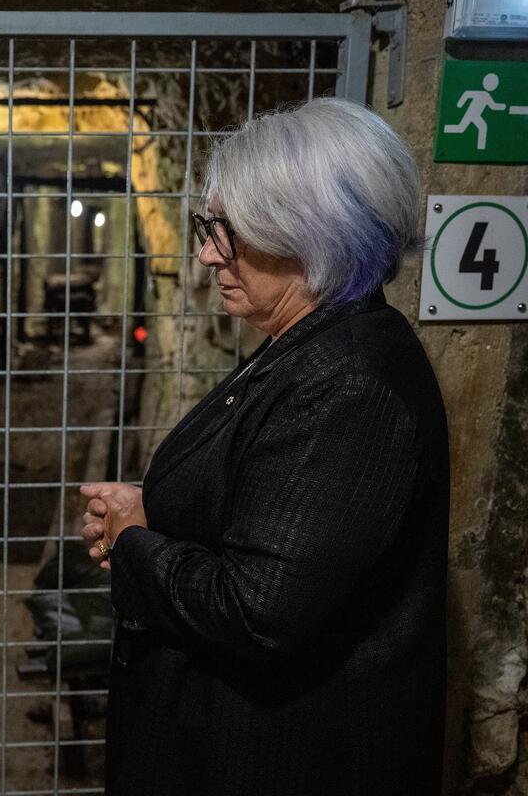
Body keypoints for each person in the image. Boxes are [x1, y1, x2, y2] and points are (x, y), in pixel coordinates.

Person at [79, 98, 448, 796]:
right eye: (209, 227)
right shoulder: (306, 344)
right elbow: (271, 507)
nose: (206, 252)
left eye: (230, 232)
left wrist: (136, 541)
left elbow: (260, 610)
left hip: (276, 760)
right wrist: (155, 507)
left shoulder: (349, 383)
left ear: (312, 233)